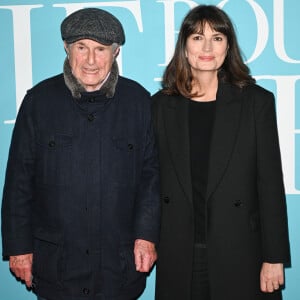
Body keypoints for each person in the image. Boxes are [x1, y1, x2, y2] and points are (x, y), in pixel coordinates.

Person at [1, 7, 160, 300]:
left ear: (116, 52)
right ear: (66, 47)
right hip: (57, 267)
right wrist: (18, 247)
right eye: (81, 47)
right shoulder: (38, 101)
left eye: (100, 49)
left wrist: (147, 235)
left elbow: (152, 178)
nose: (90, 60)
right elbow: (18, 181)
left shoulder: (139, 102)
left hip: (119, 265)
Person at [152, 4, 290, 300]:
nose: (207, 47)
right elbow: (147, 182)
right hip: (180, 252)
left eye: (217, 38)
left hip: (240, 250)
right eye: (197, 37)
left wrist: (274, 257)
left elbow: (269, 184)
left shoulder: (256, 103)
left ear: (228, 47)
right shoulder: (160, 106)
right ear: (184, 46)